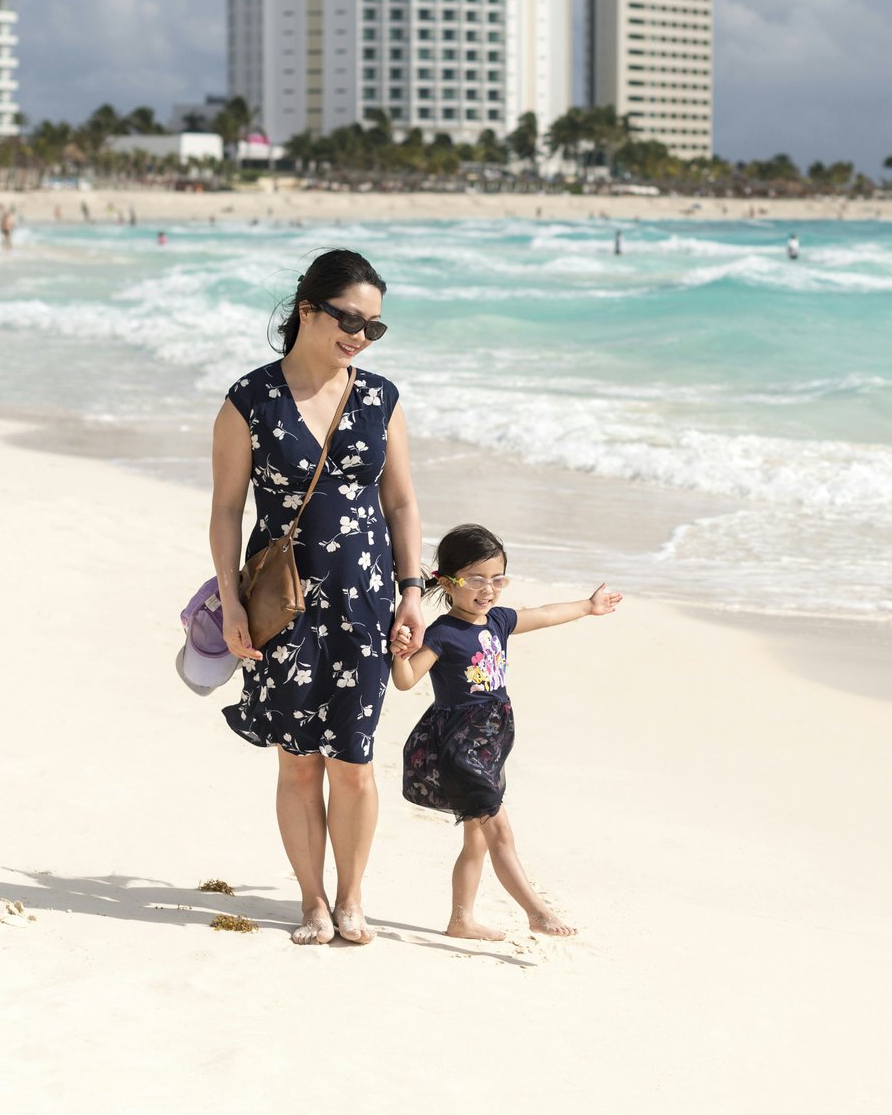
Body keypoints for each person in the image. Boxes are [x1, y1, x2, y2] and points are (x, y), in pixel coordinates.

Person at [210, 248, 427, 946]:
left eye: (374, 328)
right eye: (349, 319)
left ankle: (352, 899)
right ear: (307, 308)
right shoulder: (250, 400)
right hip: (285, 607)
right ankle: (310, 902)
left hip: (364, 602)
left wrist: (412, 592)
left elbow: (400, 504)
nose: (360, 336)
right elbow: (224, 512)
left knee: (354, 762)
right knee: (299, 761)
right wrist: (231, 603)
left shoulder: (378, 398)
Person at [391, 524, 620, 941]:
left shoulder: (497, 621)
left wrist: (588, 606)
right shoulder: (443, 633)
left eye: (497, 579)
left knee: (476, 839)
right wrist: (400, 654)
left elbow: (546, 614)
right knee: (500, 831)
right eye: (476, 579)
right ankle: (537, 911)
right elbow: (406, 681)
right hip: (462, 747)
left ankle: (461, 919)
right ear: (447, 581)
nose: (488, 589)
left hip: (491, 744)